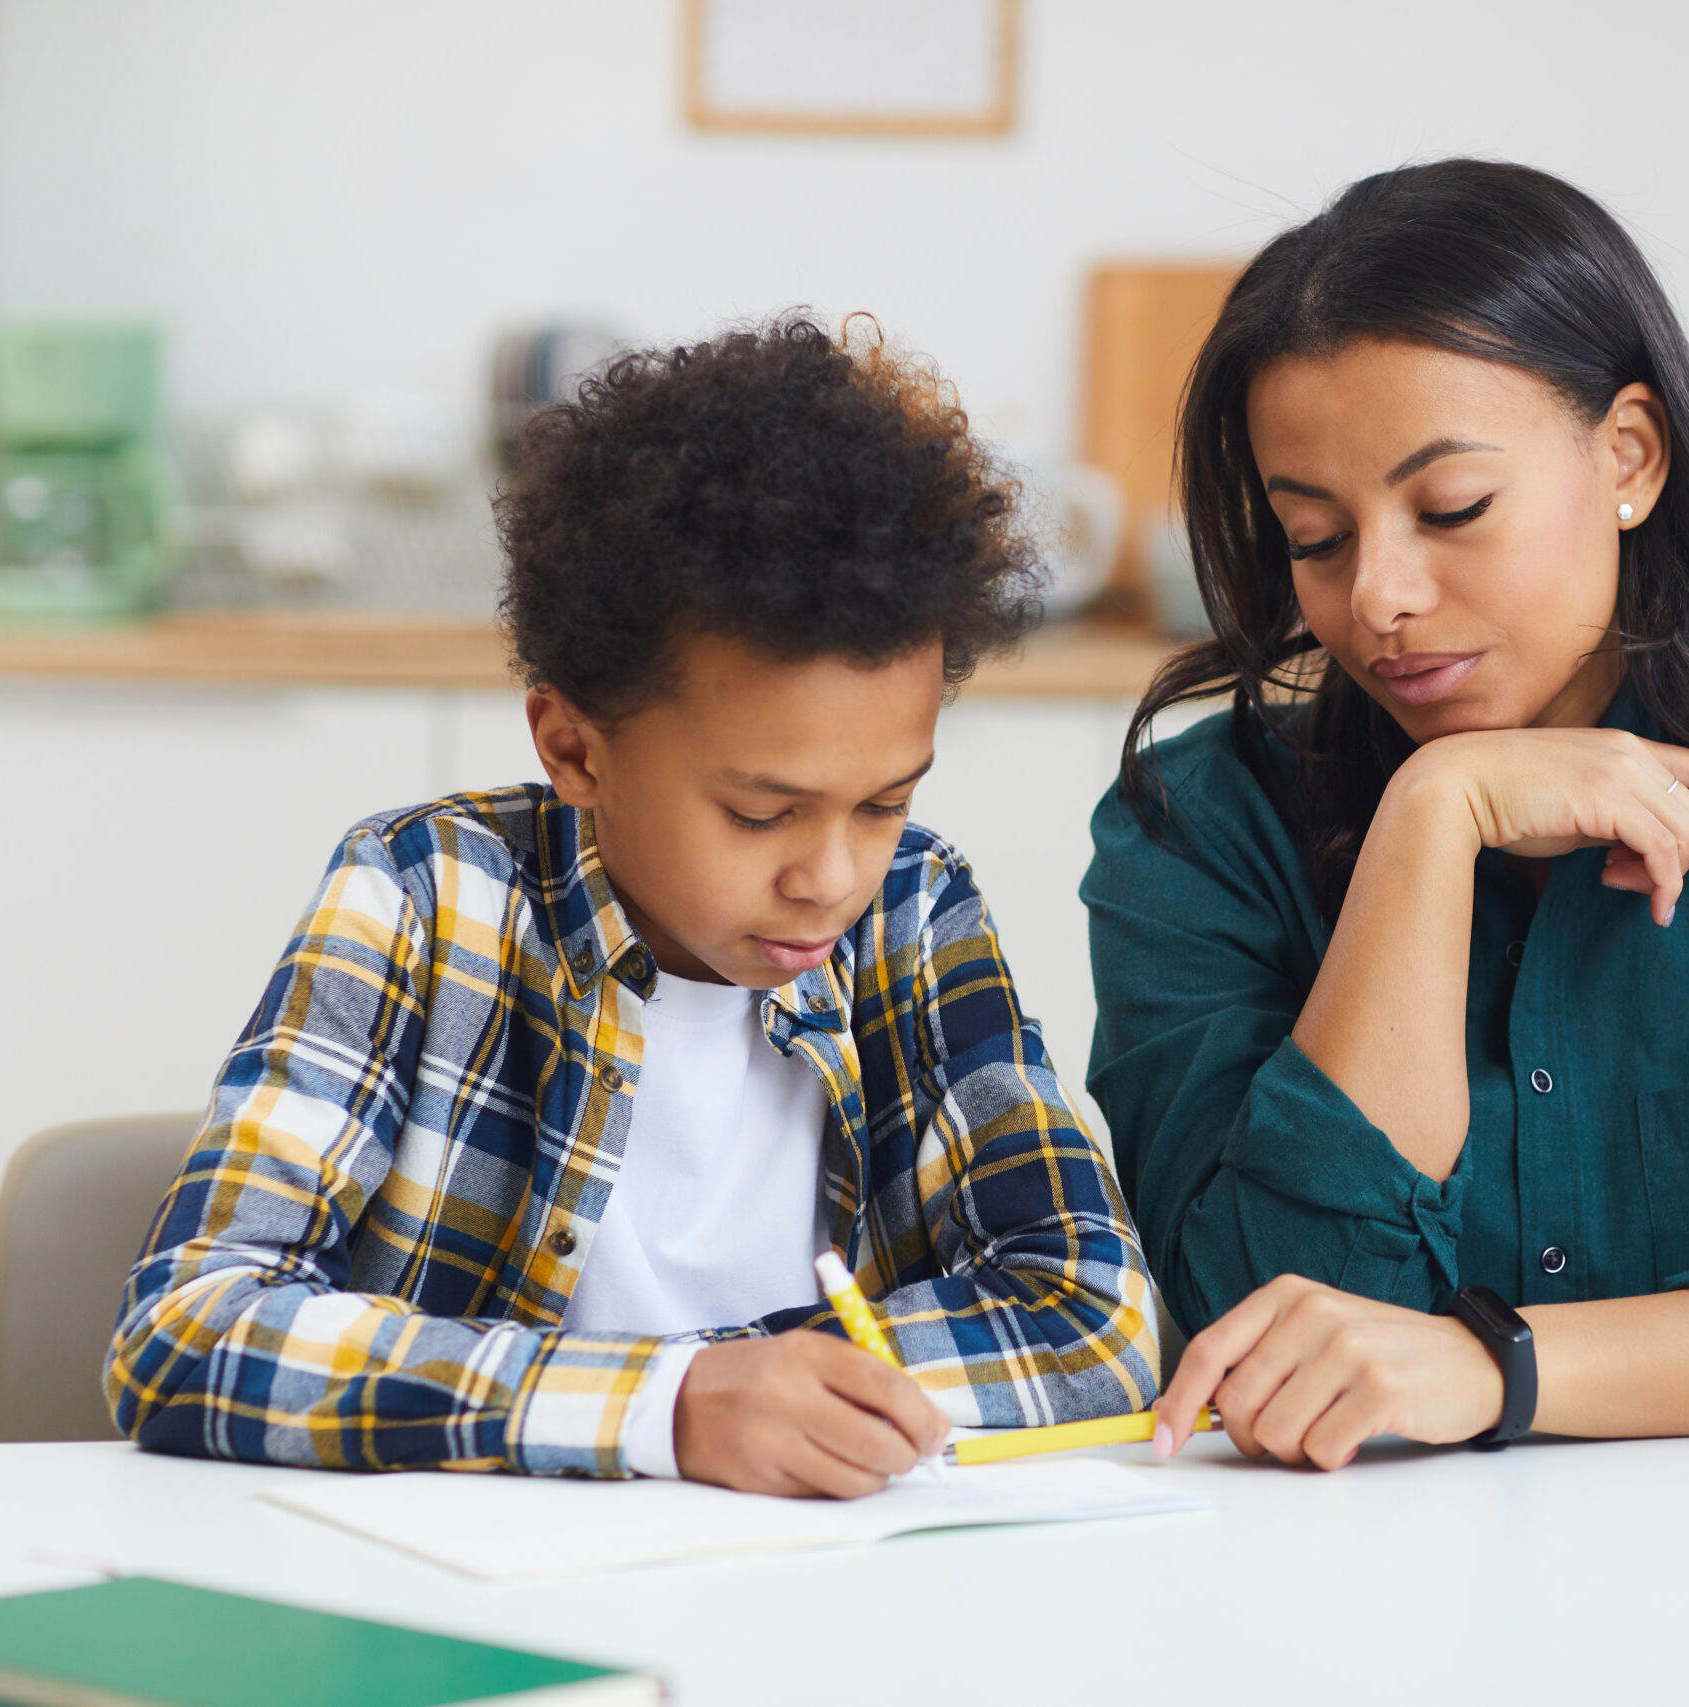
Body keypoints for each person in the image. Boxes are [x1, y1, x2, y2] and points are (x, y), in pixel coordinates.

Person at [1083, 160, 1689, 1471]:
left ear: (1630, 457)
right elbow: (1262, 1321)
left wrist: (1500, 1366)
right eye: (1314, 536)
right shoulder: (1196, 824)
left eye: (1452, 509)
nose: (1378, 593)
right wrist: (1436, 818)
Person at [110, 317, 1158, 1496]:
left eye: (881, 802)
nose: (830, 876)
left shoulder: (912, 908)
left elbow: (1094, 1326)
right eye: (761, 814)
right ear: (574, 747)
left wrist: (729, 1392)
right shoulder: (424, 893)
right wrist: (667, 1408)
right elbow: (187, 1330)